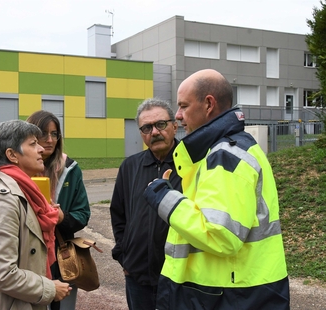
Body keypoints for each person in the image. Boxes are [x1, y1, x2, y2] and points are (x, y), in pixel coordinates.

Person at [143, 69, 290, 309]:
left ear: (209, 104)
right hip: (239, 291)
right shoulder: (232, 149)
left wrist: (164, 198)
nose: (178, 116)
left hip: (228, 296)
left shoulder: (225, 155)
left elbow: (220, 235)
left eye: (183, 106)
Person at [0, 120, 71, 310]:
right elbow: (3, 274)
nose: (41, 149)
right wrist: (50, 288)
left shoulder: (24, 192)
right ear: (12, 155)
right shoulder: (2, 200)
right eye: (33, 144)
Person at [110, 98, 182, 310]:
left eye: (161, 124)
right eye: (147, 128)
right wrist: (124, 257)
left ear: (174, 126)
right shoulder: (130, 167)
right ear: (141, 133)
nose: (155, 132)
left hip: (179, 277)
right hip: (138, 276)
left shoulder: (191, 164)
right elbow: (118, 215)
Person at [26, 110, 91, 310]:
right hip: (27, 256)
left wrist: (62, 217)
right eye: (43, 134)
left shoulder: (70, 169)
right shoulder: (18, 169)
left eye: (55, 134)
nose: (50, 140)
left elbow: (83, 214)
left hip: (60, 256)